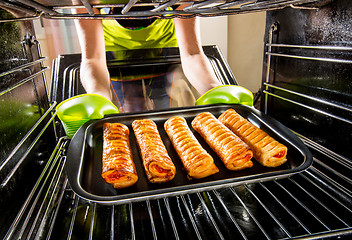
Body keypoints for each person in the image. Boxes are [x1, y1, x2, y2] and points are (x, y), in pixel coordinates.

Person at [74, 6, 221, 110]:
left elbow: (192, 54)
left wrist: (214, 89)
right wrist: (98, 98)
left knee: (166, 113)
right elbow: (93, 59)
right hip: (112, 55)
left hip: (165, 51)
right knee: (127, 109)